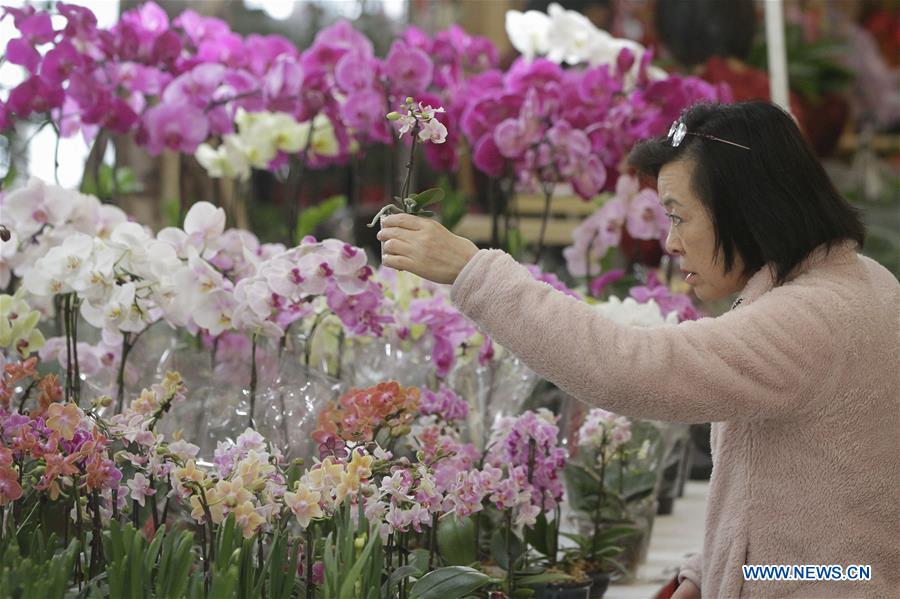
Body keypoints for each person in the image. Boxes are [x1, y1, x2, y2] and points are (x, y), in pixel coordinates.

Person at [377, 101, 899, 598]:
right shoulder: (860, 283)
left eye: (679, 216)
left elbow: (628, 366)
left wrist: (473, 272)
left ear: (746, 209)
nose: (670, 243)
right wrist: (710, 572)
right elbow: (804, 499)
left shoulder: (811, 318)